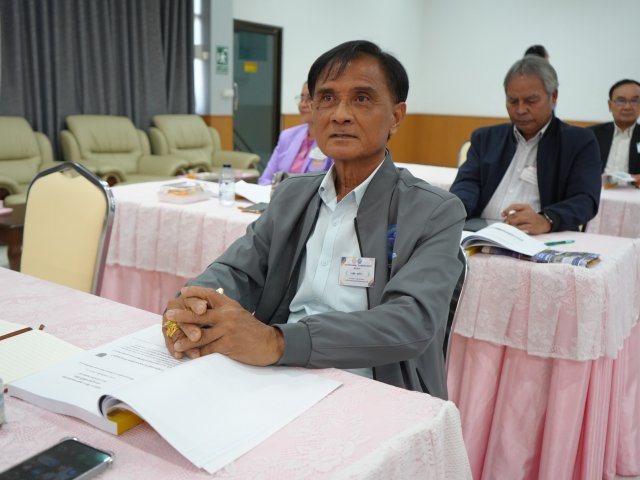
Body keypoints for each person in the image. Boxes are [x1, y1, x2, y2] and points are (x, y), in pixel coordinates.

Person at [161, 40, 466, 399]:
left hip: (372, 383)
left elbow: (410, 323)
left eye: (362, 98)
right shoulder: (293, 194)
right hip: (279, 375)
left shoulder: (434, 211)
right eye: (327, 98)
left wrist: (277, 341)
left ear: (396, 117)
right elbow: (238, 270)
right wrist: (194, 304)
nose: (340, 115)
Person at [449, 55, 601, 234]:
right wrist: (455, 211)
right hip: (480, 235)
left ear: (553, 96)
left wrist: (547, 219)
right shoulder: (485, 138)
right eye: (513, 101)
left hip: (543, 238)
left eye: (531, 101)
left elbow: (585, 200)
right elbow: (467, 183)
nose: (520, 110)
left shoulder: (579, 141)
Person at [257, 82, 333, 185]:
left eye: (309, 99)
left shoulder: (333, 140)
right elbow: (265, 180)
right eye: (302, 98)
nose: (303, 104)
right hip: (278, 193)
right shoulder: (287, 136)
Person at [589, 79, 640, 185]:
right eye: (621, 101)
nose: (627, 107)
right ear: (610, 105)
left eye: (634, 101)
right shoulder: (590, 135)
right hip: (596, 191)